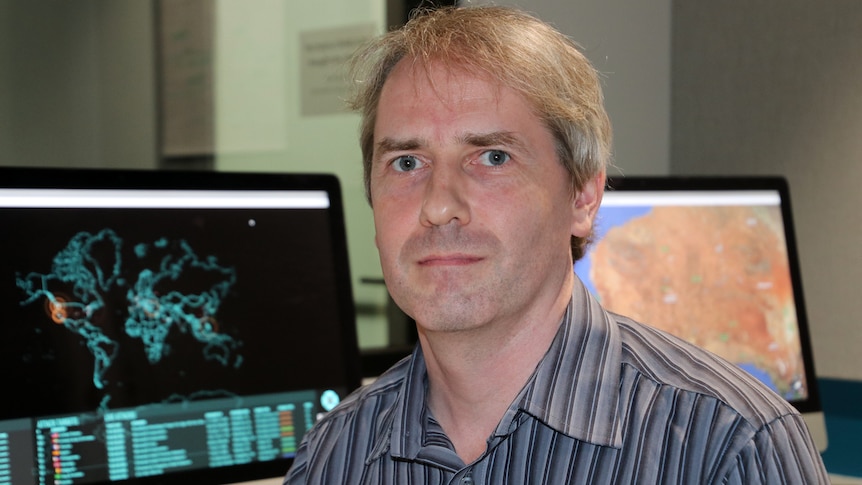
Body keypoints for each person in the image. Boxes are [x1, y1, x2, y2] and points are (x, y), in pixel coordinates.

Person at [284, 5, 829, 484]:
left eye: (492, 157)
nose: (438, 204)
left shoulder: (727, 447)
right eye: (406, 162)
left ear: (583, 196)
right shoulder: (334, 455)